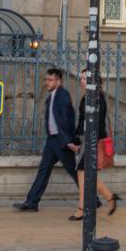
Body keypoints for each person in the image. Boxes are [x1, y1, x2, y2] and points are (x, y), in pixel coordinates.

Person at [14, 67, 78, 211]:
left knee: (75, 172)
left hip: (62, 141)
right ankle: (31, 202)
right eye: (46, 80)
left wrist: (69, 141)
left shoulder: (63, 95)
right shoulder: (51, 97)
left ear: (58, 81)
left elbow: (67, 120)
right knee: (43, 171)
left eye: (50, 80)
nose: (47, 83)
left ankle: (93, 199)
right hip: (52, 141)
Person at [69, 70, 119, 221]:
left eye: (85, 78)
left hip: (91, 141)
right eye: (81, 78)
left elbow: (96, 123)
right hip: (86, 140)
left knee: (84, 174)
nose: (81, 81)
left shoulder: (97, 98)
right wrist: (77, 140)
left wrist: (86, 141)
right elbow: (83, 121)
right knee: (86, 174)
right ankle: (109, 198)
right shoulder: (89, 97)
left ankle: (83, 208)